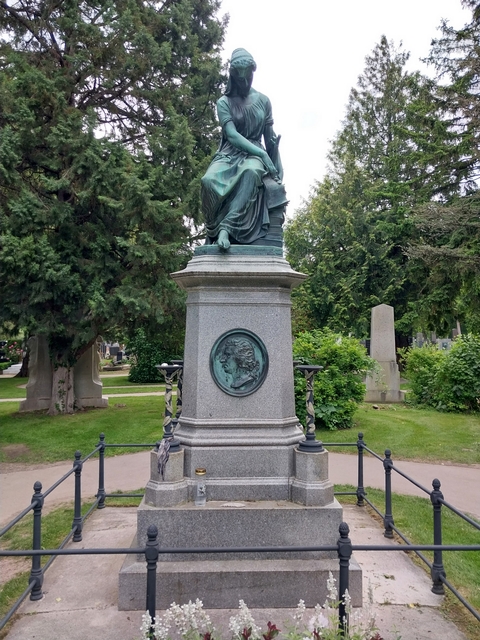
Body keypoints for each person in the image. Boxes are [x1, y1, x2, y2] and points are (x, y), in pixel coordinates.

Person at [201, 48, 287, 250]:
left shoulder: (263, 101)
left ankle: (226, 228)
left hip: (254, 155)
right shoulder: (224, 102)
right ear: (233, 77)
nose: (245, 82)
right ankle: (213, 230)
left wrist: (274, 156)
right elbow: (231, 135)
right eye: (241, 79)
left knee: (251, 172)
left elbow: (269, 139)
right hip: (229, 153)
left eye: (248, 77)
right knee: (208, 181)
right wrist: (262, 153)